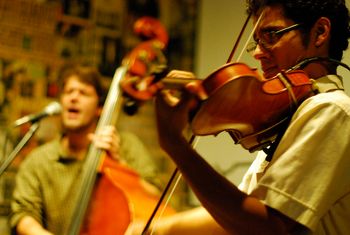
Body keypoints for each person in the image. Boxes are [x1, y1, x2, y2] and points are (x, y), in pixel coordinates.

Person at [153, 0, 350, 234]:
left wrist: (176, 147)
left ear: (320, 33)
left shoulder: (332, 110)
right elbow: (236, 216)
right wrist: (158, 228)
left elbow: (270, 227)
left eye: (271, 35)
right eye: (257, 41)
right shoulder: (290, 120)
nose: (257, 53)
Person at [9, 65, 160, 235]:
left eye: (83, 93)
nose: (74, 97)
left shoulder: (127, 146)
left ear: (99, 108)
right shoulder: (38, 160)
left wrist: (120, 164)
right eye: (68, 92)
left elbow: (155, 199)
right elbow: (23, 214)